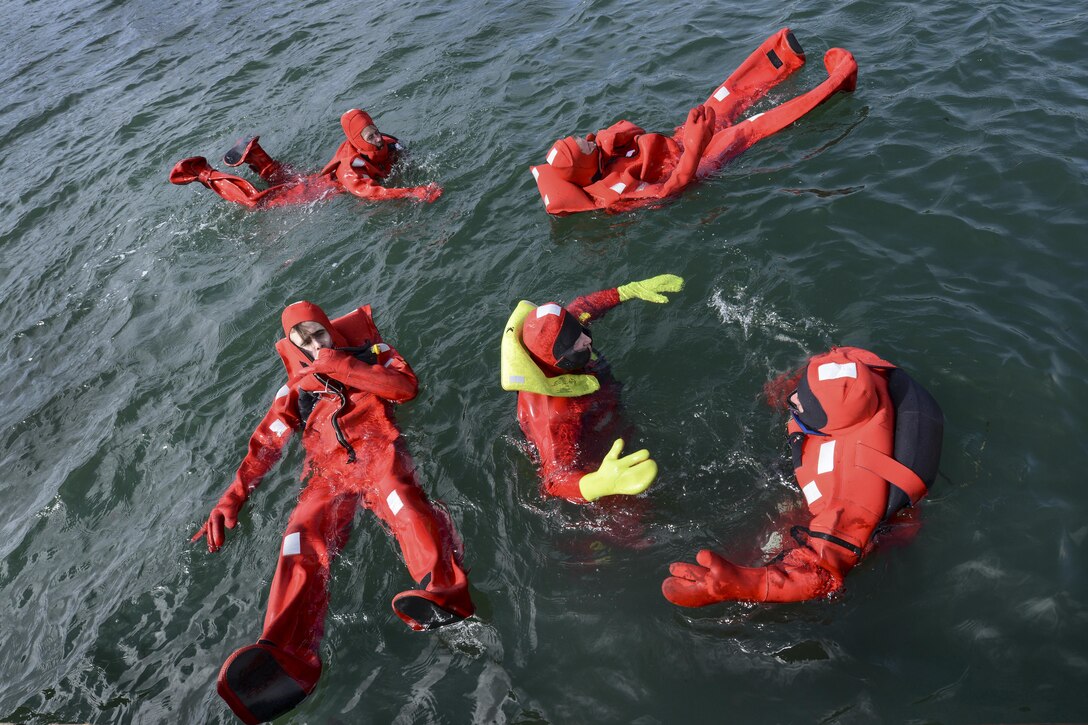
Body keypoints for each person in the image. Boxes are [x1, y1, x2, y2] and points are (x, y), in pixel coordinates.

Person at [192, 300, 473, 724]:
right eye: (300, 339)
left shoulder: (374, 355)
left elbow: (405, 389)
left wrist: (339, 364)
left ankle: (444, 589)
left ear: (328, 328)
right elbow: (266, 442)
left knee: (402, 500)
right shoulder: (295, 387)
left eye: (316, 332)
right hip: (327, 475)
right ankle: (285, 649)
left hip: (378, 453)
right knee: (298, 539)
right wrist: (234, 495)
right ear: (291, 343)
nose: (311, 342)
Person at [662, 346, 944, 606]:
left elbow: (821, 573)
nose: (793, 398)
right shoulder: (856, 372)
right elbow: (817, 373)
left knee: (762, 547)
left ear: (828, 424)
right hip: (850, 467)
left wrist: (745, 586)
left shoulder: (854, 492)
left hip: (862, 527)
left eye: (799, 405)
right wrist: (778, 389)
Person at [530, 28, 858, 214]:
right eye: (583, 145)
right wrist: (695, 147)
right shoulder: (612, 193)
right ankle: (838, 81)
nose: (588, 138)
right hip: (697, 162)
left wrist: (686, 138)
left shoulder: (600, 155)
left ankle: (783, 57)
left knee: (721, 100)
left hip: (680, 143)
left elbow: (629, 135)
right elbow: (669, 190)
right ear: (583, 169)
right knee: (751, 127)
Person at [500, 274, 683, 502]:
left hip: (607, 415)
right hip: (591, 454)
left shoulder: (560, 335)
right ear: (560, 360)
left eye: (580, 331)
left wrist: (630, 290)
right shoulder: (554, 415)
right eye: (577, 342)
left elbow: (585, 307)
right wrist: (600, 483)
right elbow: (554, 479)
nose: (586, 339)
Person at [170, 109, 442, 208]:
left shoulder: (389, 141)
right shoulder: (350, 168)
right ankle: (204, 174)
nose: (376, 139)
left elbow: (403, 153)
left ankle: (256, 156)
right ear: (355, 139)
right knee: (260, 202)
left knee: (287, 176)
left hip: (321, 178)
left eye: (374, 131)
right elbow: (369, 193)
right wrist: (410, 192)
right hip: (322, 190)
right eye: (367, 136)